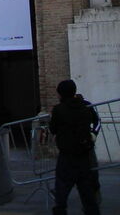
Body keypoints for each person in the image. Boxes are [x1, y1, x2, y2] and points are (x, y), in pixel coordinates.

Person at [49, 79, 100, 215]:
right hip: (83, 154)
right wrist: (93, 134)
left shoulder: (59, 110)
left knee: (61, 192)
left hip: (67, 156)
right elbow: (95, 120)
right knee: (87, 192)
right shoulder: (85, 107)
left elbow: (53, 128)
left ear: (61, 93)